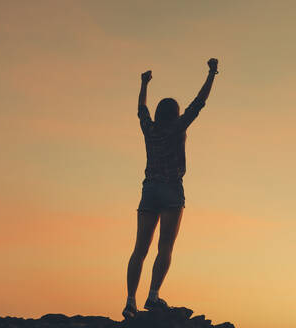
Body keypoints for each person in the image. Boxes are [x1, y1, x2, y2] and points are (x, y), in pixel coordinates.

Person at [123, 58, 219, 319]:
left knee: (139, 250)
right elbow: (198, 103)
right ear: (175, 114)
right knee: (165, 246)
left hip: (149, 190)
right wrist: (212, 73)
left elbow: (141, 109)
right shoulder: (178, 127)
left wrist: (144, 83)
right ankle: (153, 295)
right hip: (172, 191)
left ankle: (130, 302)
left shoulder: (149, 129)